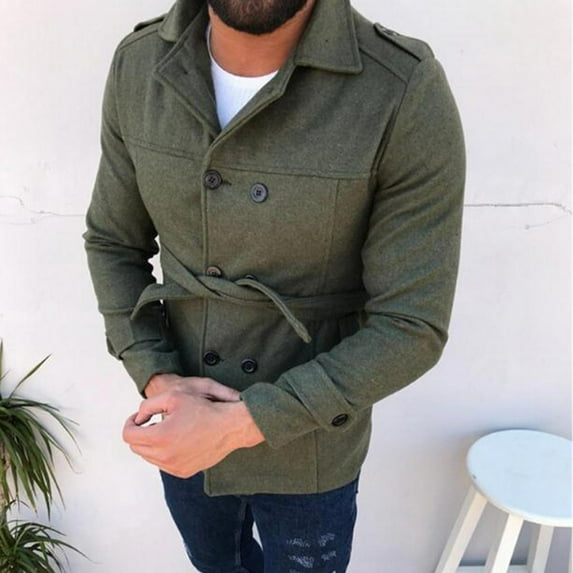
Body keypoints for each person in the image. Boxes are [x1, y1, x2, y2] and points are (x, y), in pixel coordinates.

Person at [83, 0, 465, 570]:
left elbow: (412, 324)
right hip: (182, 417)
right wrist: (158, 377)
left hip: (312, 440)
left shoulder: (400, 86)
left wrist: (245, 422)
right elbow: (114, 243)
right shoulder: (140, 65)